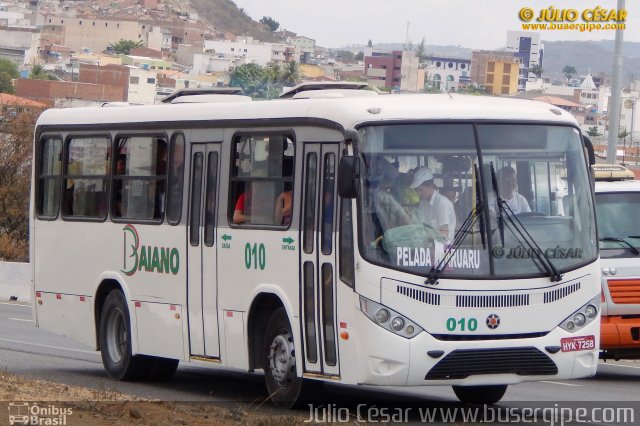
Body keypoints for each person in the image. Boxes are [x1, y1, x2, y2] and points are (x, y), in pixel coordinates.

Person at [410, 167, 456, 241]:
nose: (418, 193)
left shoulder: (442, 203)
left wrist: (423, 235)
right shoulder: (423, 203)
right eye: (416, 190)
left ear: (430, 186)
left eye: (421, 190)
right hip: (426, 247)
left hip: (442, 250)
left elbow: (444, 233)